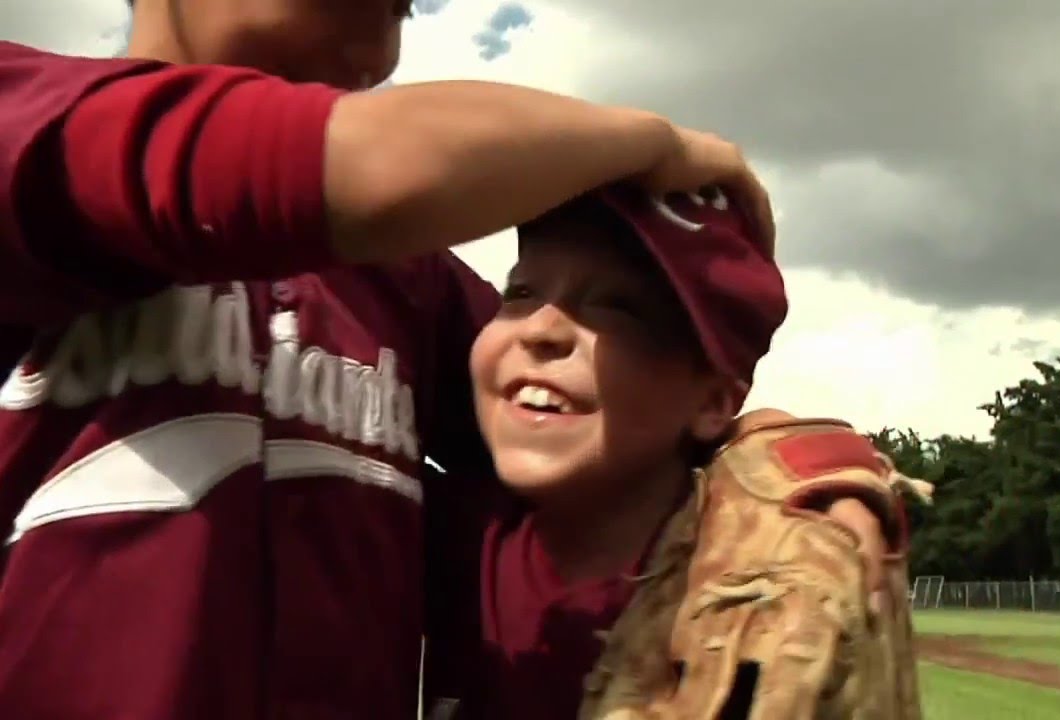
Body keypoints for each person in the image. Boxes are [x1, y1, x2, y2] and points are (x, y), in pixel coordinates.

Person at [0, 2, 895, 719]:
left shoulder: (402, 283)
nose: (392, 22)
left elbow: (615, 418)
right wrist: (658, 144)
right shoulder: (25, 111)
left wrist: (806, 457)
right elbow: (369, 166)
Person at [421, 186, 923, 719]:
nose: (542, 328)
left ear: (712, 401)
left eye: (616, 309)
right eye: (521, 292)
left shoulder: (754, 573)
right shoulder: (443, 529)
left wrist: (819, 465)